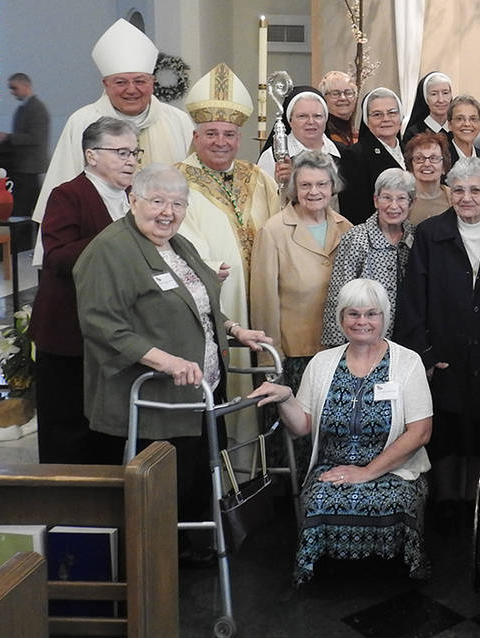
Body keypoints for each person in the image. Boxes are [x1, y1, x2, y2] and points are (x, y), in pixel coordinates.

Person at [75, 164, 271, 559]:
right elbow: (101, 324)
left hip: (198, 392)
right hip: (155, 398)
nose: (168, 212)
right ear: (133, 200)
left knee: (194, 479)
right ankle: (158, 567)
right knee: (163, 488)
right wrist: (166, 362)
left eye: (178, 204)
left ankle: (187, 553)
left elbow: (199, 304)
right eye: (157, 201)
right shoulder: (111, 249)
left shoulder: (177, 244)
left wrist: (234, 330)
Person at [251, 278, 432, 584]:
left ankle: (393, 574)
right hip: (332, 467)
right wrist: (286, 398)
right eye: (353, 314)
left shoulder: (408, 362)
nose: (362, 322)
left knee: (397, 500)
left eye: (371, 314)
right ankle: (325, 577)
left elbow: (421, 432)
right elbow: (302, 426)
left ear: (385, 317)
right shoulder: (322, 363)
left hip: (395, 469)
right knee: (320, 499)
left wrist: (367, 472)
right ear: (341, 318)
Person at [396, 157, 480, 516]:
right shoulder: (430, 234)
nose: (466, 198)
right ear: (449, 194)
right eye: (459, 190)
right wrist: (425, 354)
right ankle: (447, 506)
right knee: (446, 428)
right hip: (444, 351)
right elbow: (413, 298)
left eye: (475, 190)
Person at [176, 64, 283, 446]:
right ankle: (229, 466)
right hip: (221, 302)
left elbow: (280, 227)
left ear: (239, 138)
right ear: (195, 136)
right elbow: (175, 241)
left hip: (263, 301)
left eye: (229, 134)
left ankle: (259, 464)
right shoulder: (175, 181)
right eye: (211, 134)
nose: (221, 142)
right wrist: (210, 267)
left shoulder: (257, 177)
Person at [32, 19, 195, 266]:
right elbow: (64, 187)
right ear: (105, 84)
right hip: (101, 254)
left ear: (152, 82)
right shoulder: (83, 121)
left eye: (140, 81)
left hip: (169, 243)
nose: (131, 89)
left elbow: (191, 187)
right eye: (120, 82)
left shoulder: (178, 121)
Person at [31, 117, 138, 465]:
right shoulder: (68, 195)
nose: (131, 161)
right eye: (121, 152)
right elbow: (58, 257)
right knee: (69, 429)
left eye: (134, 152)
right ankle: (68, 496)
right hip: (69, 332)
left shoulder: (132, 197)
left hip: (113, 332)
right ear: (91, 156)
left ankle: (108, 493)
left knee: (107, 428)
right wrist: (120, 235)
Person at [250, 151, 353, 389]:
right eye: (305, 185)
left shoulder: (346, 228)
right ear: (294, 189)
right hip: (294, 355)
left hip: (340, 350)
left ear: (333, 187)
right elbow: (264, 302)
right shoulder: (273, 231)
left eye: (322, 184)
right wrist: (270, 359)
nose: (314, 191)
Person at [322, 168, 416, 345]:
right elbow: (338, 295)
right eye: (386, 197)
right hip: (363, 338)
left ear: (412, 203)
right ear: (375, 200)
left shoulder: (416, 237)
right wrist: (337, 347)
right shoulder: (356, 238)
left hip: (407, 340)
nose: (393, 206)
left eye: (401, 198)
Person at [257, 87, 344, 200]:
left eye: (317, 116)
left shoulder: (343, 153)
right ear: (290, 120)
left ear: (326, 119)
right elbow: (262, 201)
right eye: (302, 116)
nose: (311, 122)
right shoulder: (273, 157)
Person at [343, 87, 408, 224]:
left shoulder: (410, 149)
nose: (386, 119)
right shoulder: (356, 154)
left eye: (392, 113)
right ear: (367, 120)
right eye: (377, 115)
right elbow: (354, 208)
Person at [0, 73, 49, 218]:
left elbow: (36, 138)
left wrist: (8, 137)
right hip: (23, 167)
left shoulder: (36, 107)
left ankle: (25, 234)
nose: (12, 92)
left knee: (24, 210)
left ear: (26, 85)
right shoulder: (24, 108)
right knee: (23, 209)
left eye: (14, 88)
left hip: (30, 167)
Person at [404, 131, 452, 225]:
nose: (426, 164)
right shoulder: (402, 199)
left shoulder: (455, 197)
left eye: (433, 158)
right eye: (419, 158)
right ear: (411, 166)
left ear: (444, 167)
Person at [402, 71, 452, 147]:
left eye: (445, 93)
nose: (441, 100)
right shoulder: (414, 134)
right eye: (434, 94)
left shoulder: (457, 129)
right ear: (425, 98)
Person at [446, 94, 480, 165]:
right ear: (450, 124)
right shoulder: (441, 159)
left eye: (473, 119)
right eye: (460, 119)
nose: (467, 124)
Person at [319, 71, 359, 145]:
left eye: (348, 93)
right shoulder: (321, 134)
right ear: (323, 98)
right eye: (335, 94)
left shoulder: (358, 134)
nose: (343, 98)